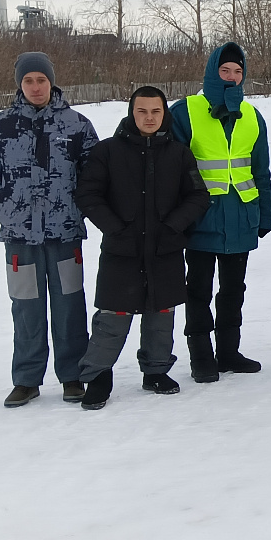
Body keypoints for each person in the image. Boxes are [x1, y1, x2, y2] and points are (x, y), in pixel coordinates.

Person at [0, 52, 100, 408]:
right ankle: (26, 379)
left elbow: (96, 176)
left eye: (41, 80)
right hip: (19, 239)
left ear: (51, 82)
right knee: (26, 308)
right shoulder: (1, 126)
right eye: (29, 81)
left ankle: (73, 376)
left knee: (70, 306)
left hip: (65, 237)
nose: (36, 87)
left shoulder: (76, 125)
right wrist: (4, 208)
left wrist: (77, 209)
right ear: (19, 84)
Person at [73, 87, 212, 410]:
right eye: (142, 111)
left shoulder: (178, 153)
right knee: (113, 318)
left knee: (161, 315)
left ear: (164, 114)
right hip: (122, 250)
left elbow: (198, 196)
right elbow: (88, 194)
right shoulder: (107, 151)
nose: (149, 118)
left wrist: (173, 226)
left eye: (155, 112)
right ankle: (97, 376)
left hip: (165, 249)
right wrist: (115, 228)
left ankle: (156, 370)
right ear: (131, 113)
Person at [169, 42, 271, 382]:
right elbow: (174, 168)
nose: (231, 77)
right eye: (225, 70)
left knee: (234, 289)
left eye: (238, 71)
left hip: (241, 217)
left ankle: (228, 352)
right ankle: (201, 357)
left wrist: (266, 215)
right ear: (213, 72)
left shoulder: (252, 117)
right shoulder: (184, 111)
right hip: (202, 218)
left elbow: (261, 171)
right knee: (197, 289)